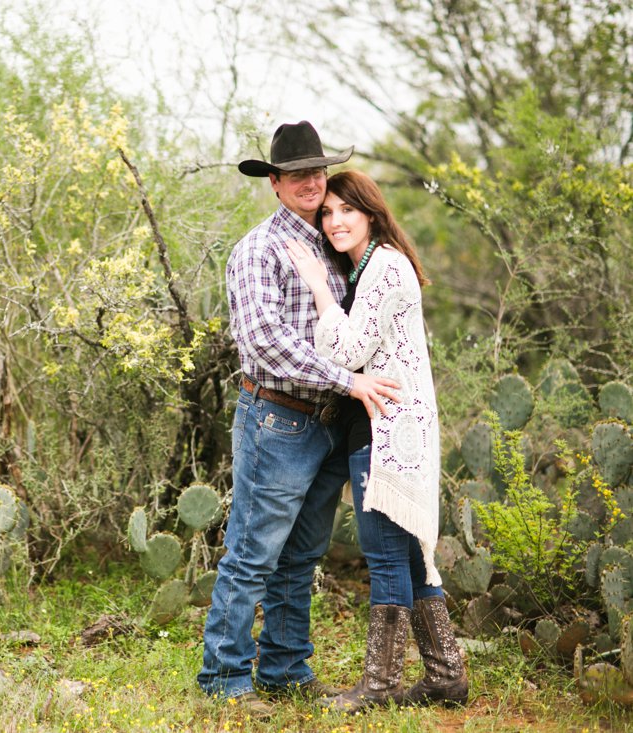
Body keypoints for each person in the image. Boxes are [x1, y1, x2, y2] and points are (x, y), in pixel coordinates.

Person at [197, 121, 400, 715]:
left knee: (302, 554)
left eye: (317, 171)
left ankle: (286, 667)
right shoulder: (258, 250)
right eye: (296, 175)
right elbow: (264, 342)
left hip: (330, 421)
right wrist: (350, 380)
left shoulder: (334, 244)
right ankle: (225, 679)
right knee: (253, 553)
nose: (310, 182)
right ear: (276, 184)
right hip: (277, 419)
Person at [285, 169, 468, 712]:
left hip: (388, 432)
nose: (335, 221)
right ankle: (446, 675)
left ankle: (380, 685)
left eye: (347, 211)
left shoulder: (384, 266)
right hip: (387, 427)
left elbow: (347, 352)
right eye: (328, 213)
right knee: (407, 556)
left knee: (386, 559)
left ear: (371, 213)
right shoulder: (370, 266)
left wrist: (319, 290)